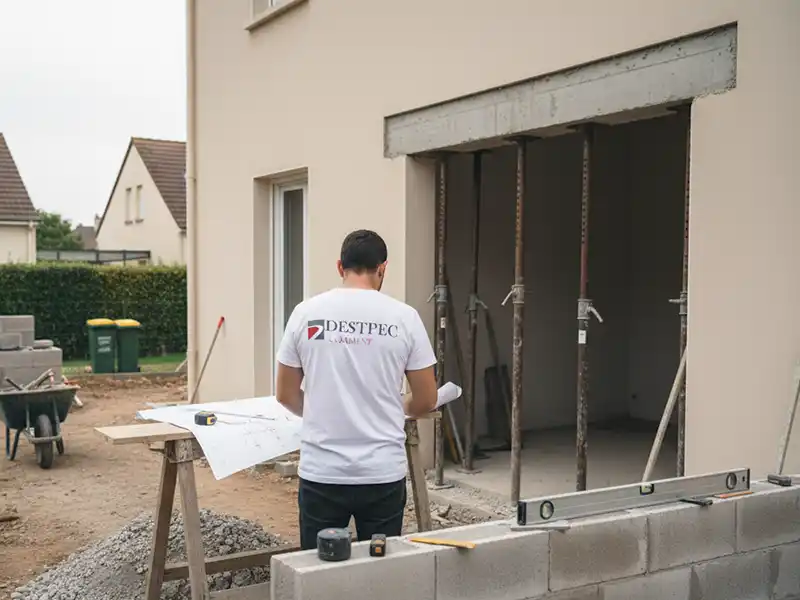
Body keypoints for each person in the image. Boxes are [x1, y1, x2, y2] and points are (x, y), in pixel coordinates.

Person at [275, 229, 438, 550]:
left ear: (340, 267)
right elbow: (427, 398)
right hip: (382, 472)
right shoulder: (405, 318)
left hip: (323, 470)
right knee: (379, 568)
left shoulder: (306, 313)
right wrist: (398, 407)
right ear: (383, 268)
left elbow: (285, 394)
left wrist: (324, 411)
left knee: (319, 568)